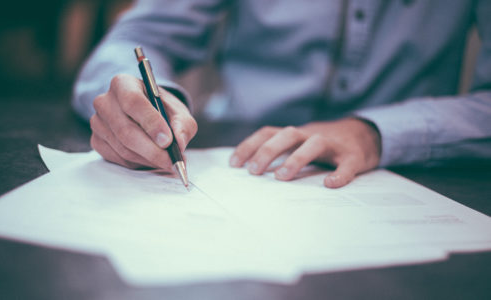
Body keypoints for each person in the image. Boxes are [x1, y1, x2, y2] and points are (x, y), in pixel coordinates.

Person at [73, 0, 491, 188]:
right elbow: (136, 38)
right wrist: (136, 100)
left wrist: (375, 132)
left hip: (415, 172)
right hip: (238, 158)